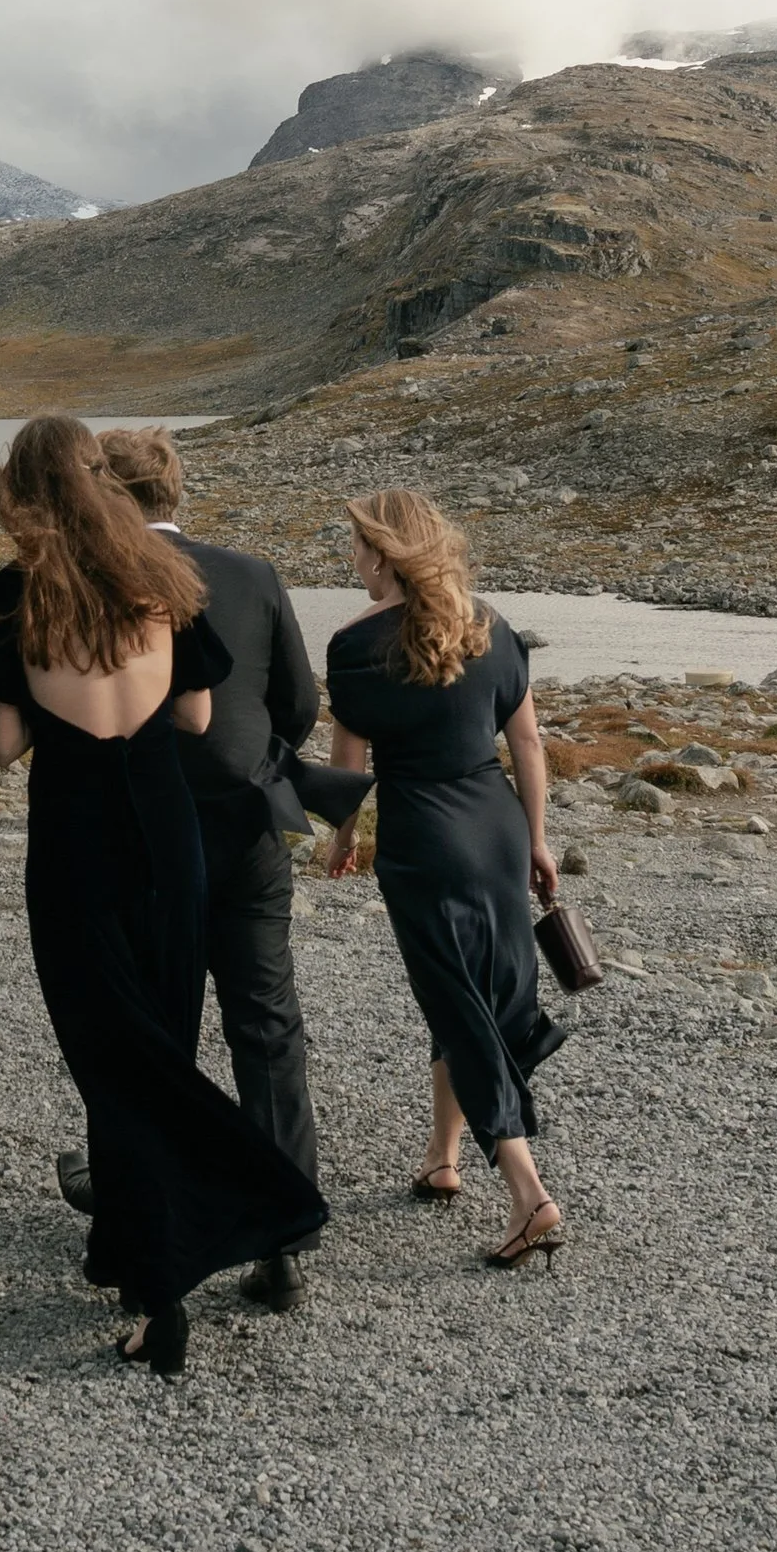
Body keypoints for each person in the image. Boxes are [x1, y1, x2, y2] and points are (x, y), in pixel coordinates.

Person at [0, 414, 326, 1379]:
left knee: (111, 1053)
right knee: (166, 1041)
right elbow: (197, 712)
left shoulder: (15, 594)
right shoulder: (165, 583)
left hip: (75, 834)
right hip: (164, 826)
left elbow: (7, 746)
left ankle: (166, 1282)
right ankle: (150, 1254)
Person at [97, 426, 322, 1311]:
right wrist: (256, 760)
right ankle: (284, 1235)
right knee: (265, 1028)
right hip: (246, 831)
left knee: (147, 1030)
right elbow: (298, 704)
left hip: (141, 835)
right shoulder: (253, 575)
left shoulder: (99, 581)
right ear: (175, 491)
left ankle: (150, 1222)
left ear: (112, 495)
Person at [322, 489, 568, 1270]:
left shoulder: (353, 647)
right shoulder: (488, 625)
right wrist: (537, 840)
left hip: (424, 839)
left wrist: (342, 837)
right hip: (494, 825)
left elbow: (349, 767)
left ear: (385, 554)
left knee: (457, 1001)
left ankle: (528, 1191)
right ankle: (442, 1157)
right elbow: (527, 744)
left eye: (358, 547)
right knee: (470, 991)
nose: (352, 559)